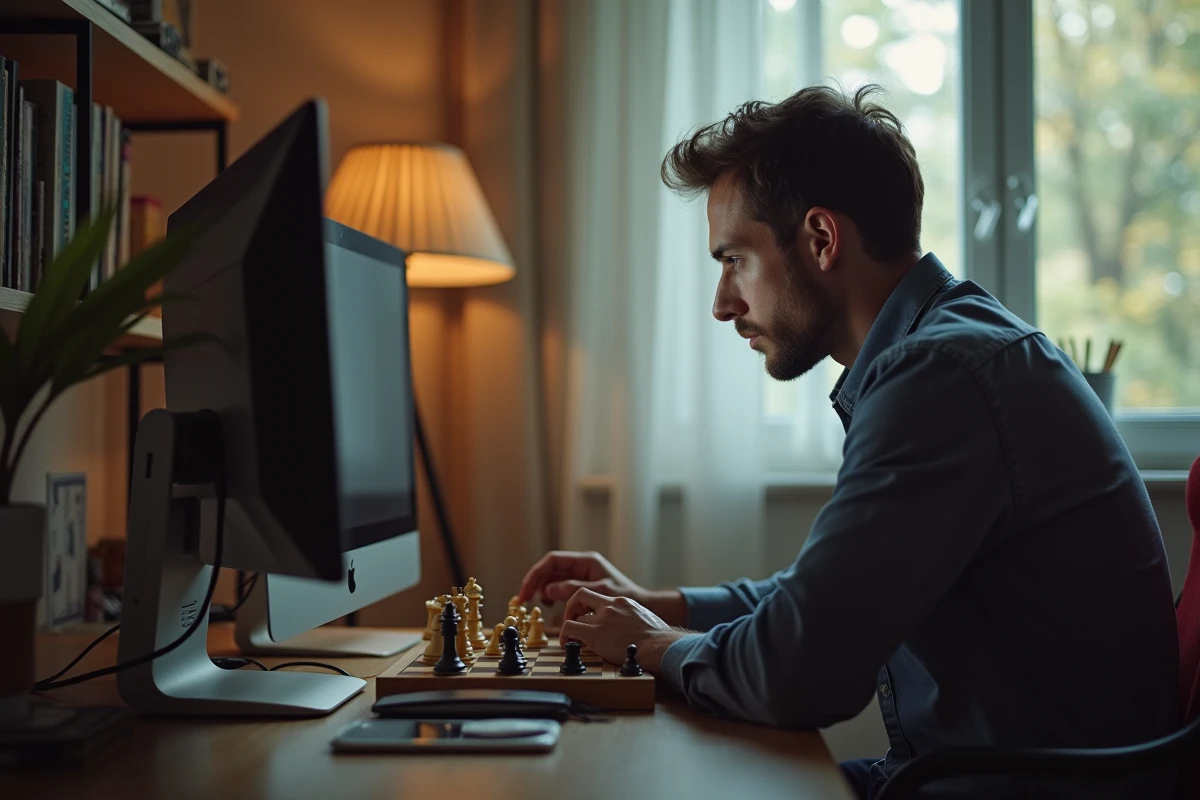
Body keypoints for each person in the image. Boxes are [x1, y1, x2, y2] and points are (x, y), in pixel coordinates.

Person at [518, 85, 1179, 799]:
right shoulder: (946, 351)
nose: (722, 303)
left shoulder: (939, 376)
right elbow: (824, 601)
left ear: (823, 240)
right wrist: (661, 606)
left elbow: (801, 673)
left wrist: (651, 645)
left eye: (735, 259)